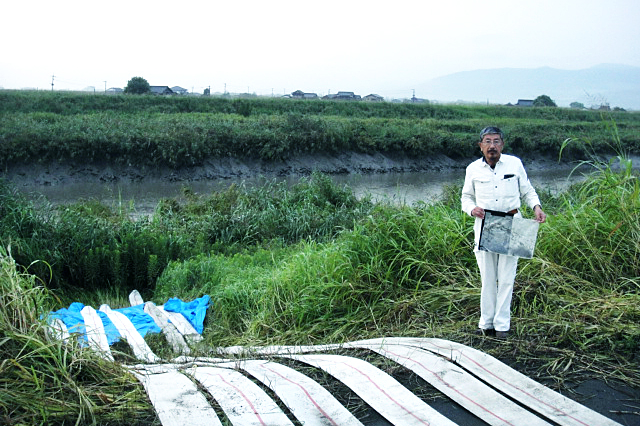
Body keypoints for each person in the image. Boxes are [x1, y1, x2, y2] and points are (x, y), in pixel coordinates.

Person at [461, 126, 546, 339]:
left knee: (507, 278)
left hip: (511, 223)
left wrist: (536, 206)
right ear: (481, 146)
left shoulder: (515, 163)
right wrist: (472, 209)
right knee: (488, 278)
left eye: (496, 141)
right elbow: (466, 197)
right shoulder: (473, 169)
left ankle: (502, 326)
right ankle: (486, 323)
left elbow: (527, 190)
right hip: (485, 224)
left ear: (502, 144)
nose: (492, 146)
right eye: (488, 141)